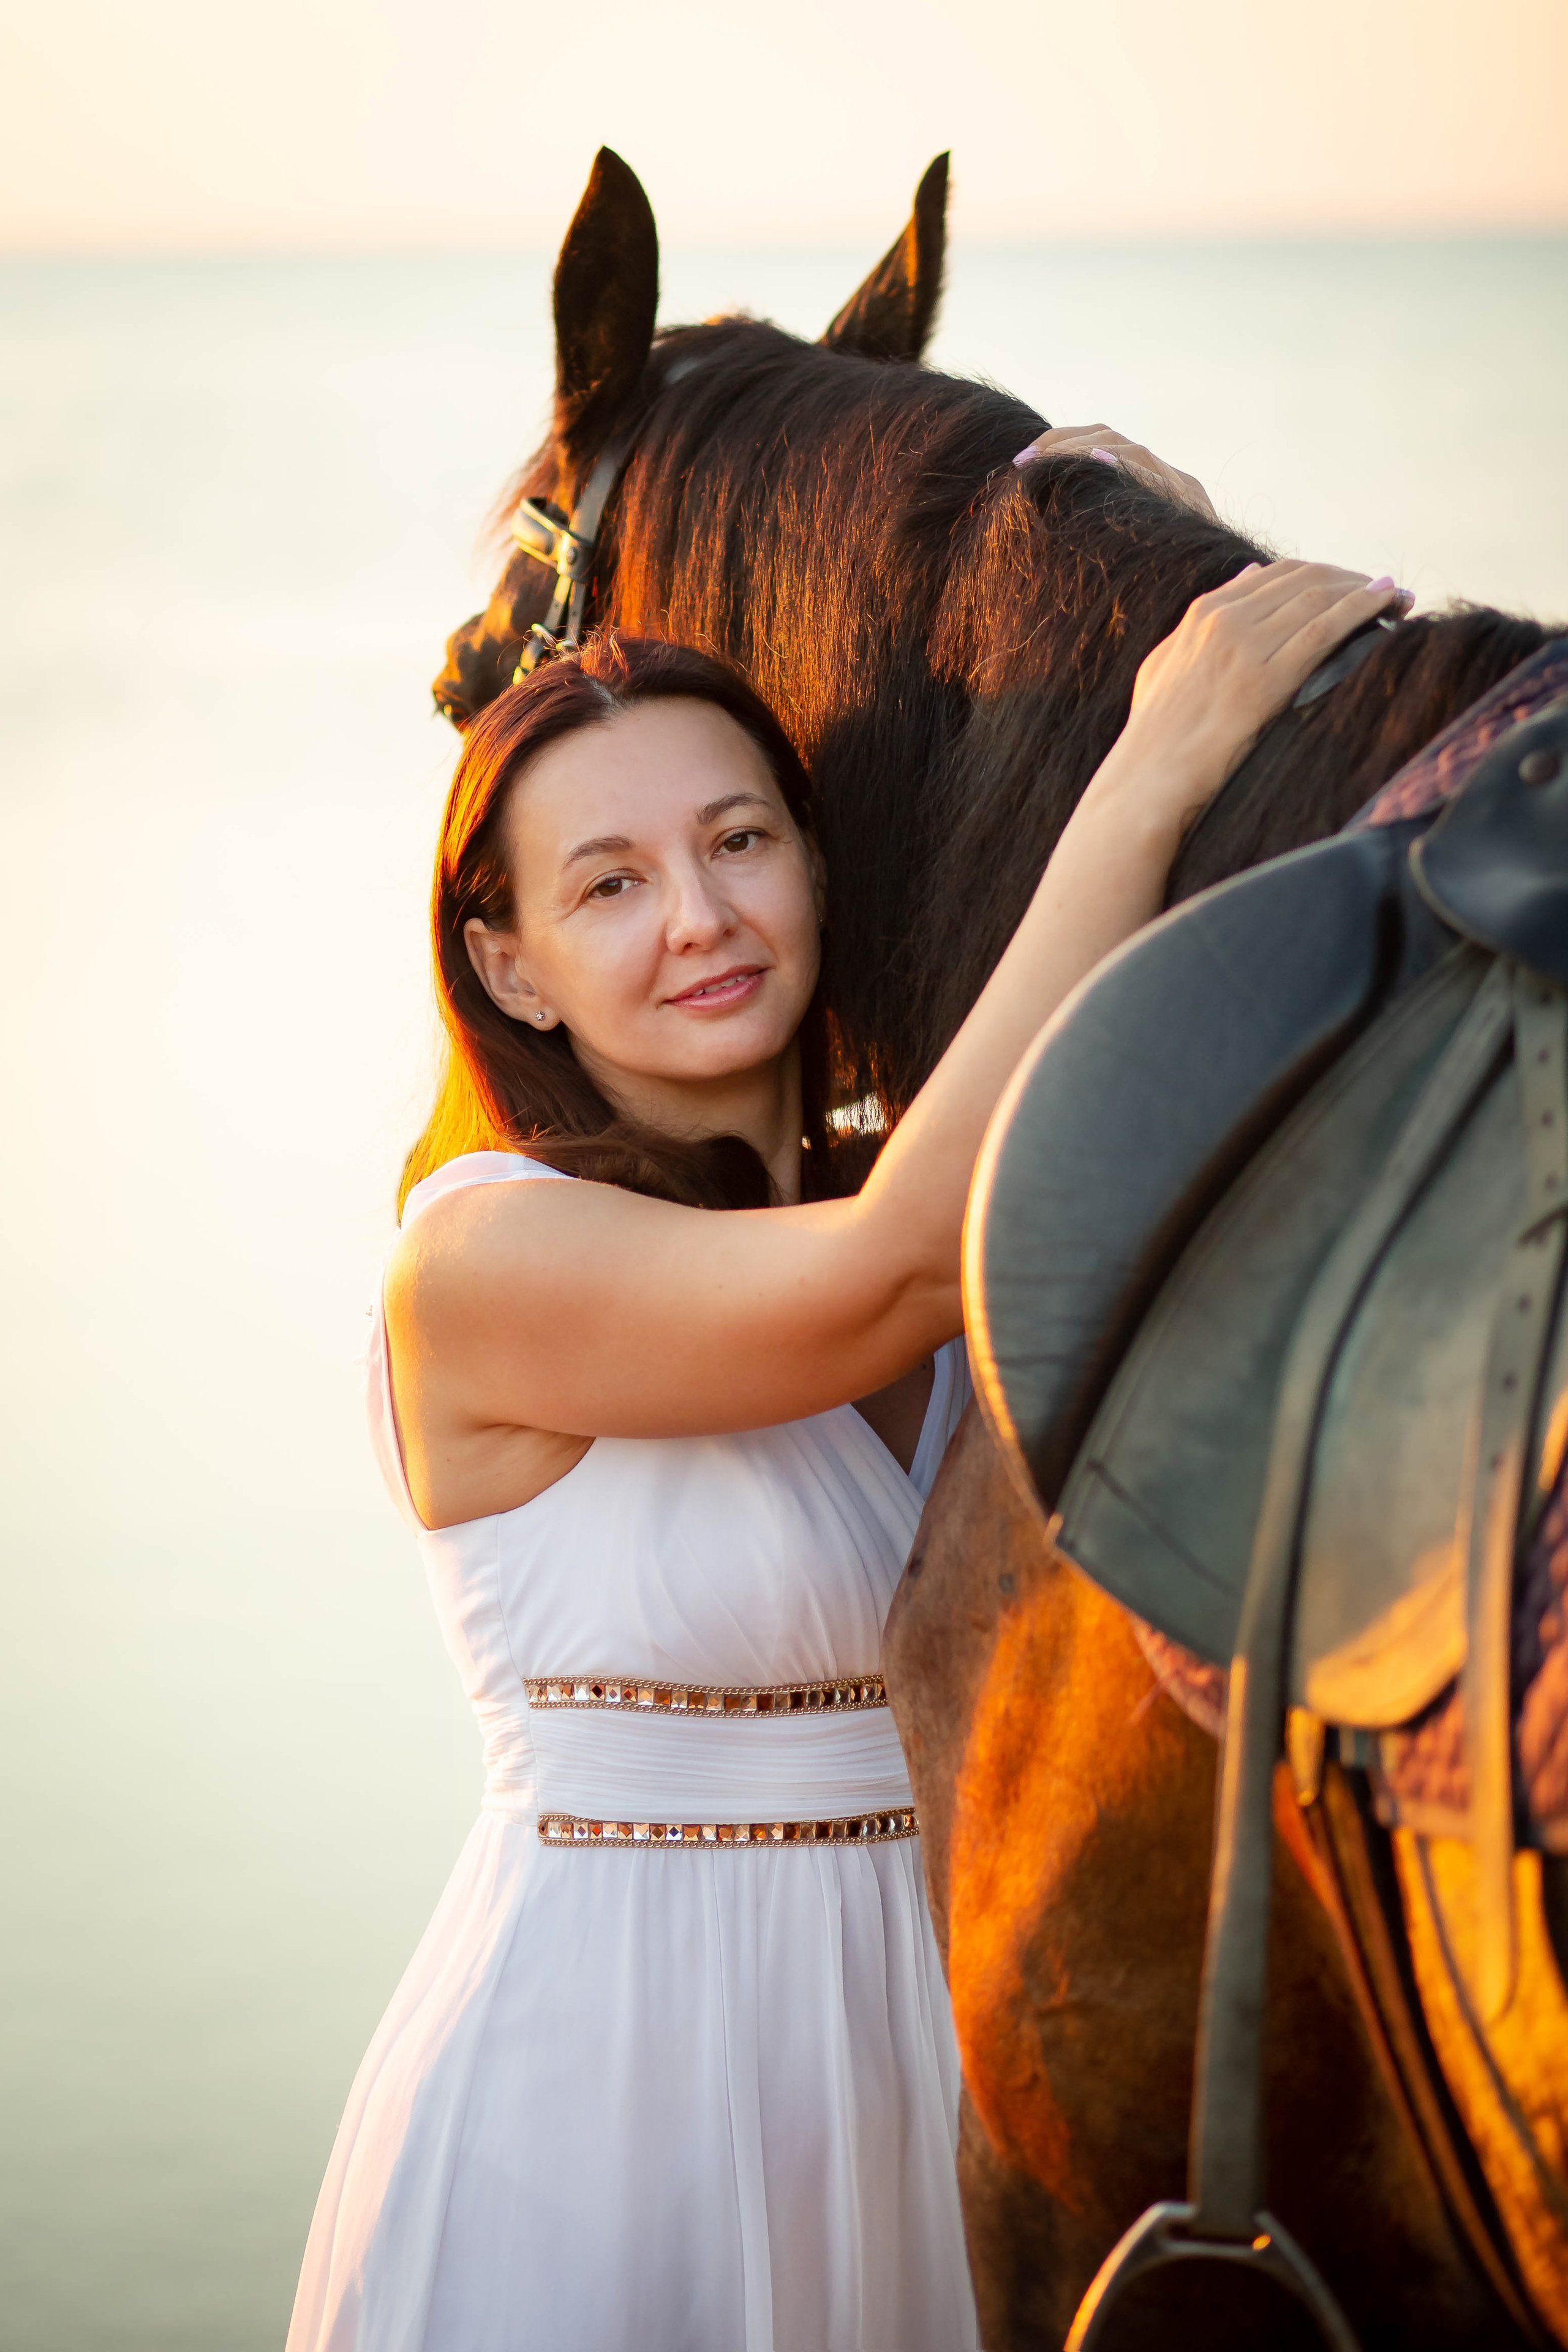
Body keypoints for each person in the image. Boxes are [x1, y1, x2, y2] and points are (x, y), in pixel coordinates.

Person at [285, 481, 1403, 2351]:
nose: (702, 919)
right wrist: (1152, 763)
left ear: (820, 863)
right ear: (506, 964)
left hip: (941, 2059)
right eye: (610, 885)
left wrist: (1162, 595)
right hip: (611, 2079)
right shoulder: (481, 1268)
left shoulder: (933, 1190)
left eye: (743, 842)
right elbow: (891, 1270)